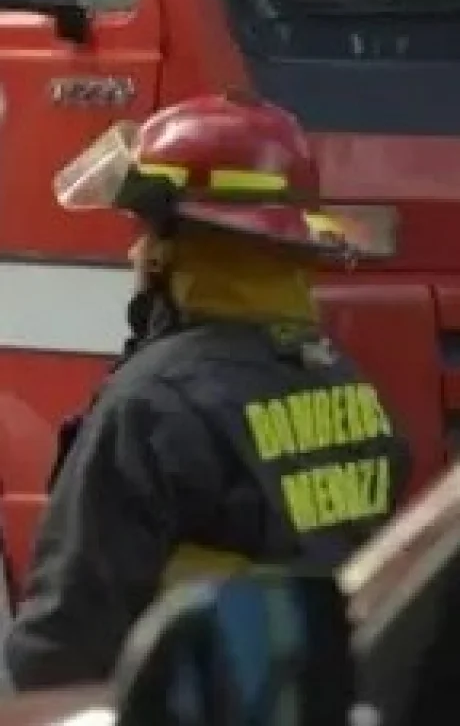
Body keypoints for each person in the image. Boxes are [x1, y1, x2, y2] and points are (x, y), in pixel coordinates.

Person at [4, 90, 411, 690]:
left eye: (147, 230)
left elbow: (64, 639)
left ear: (177, 247)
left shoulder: (152, 406)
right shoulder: (345, 384)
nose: (135, 250)